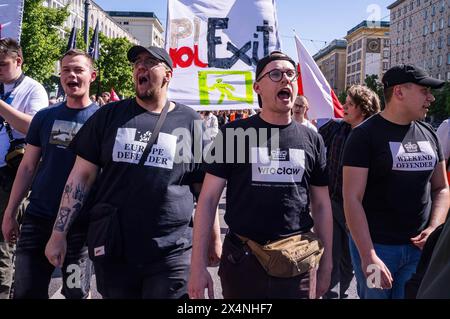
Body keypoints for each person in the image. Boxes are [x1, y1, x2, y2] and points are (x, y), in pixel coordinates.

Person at [44, 45, 221, 299]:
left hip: (171, 251)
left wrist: (214, 239)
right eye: (137, 62)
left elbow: (204, 188)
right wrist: (58, 233)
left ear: (168, 75)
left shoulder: (190, 121)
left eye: (150, 62)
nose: (141, 66)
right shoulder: (109, 116)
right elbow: (80, 177)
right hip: (115, 249)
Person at [188, 51, 333, 299]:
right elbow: (209, 199)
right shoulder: (233, 134)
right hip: (243, 263)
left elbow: (321, 205)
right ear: (257, 87)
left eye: (290, 74)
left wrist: (327, 264)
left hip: (297, 265)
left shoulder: (312, 139)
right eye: (275, 74)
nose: (285, 79)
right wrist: (198, 266)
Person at [342, 64, 450, 299]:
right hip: (373, 249)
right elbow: (352, 198)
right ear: (399, 92)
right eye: (424, 91)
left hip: (418, 250)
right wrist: (368, 255)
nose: (430, 98)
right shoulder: (363, 135)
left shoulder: (430, 134)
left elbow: (441, 188)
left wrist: (433, 229)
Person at [1, 49, 98, 299]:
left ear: (92, 76)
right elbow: (27, 167)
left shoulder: (103, 119)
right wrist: (10, 213)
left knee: (76, 292)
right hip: (38, 220)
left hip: (81, 228)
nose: (71, 75)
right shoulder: (45, 117)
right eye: (66, 70)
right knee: (25, 292)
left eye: (78, 70)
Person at [319, 85, 381, 299]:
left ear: (363, 109)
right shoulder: (336, 128)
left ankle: (357, 292)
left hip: (362, 211)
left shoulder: (376, 136)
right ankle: (332, 295)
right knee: (332, 254)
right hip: (335, 203)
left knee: (358, 258)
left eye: (350, 104)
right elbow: (313, 144)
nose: (343, 106)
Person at [0, 38, 48, 299]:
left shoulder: (33, 89)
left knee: (4, 243)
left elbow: (34, 127)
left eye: (3, 64)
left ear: (18, 61)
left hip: (13, 174)